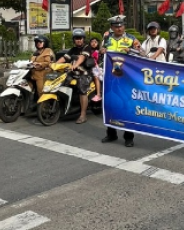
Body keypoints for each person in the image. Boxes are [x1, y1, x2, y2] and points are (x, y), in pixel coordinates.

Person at [100, 15, 137, 147]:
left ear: (124, 26)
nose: (119, 28)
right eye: (116, 26)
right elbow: (100, 51)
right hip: (110, 78)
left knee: (126, 105)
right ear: (112, 28)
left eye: (121, 26)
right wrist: (102, 50)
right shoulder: (107, 38)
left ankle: (128, 136)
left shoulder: (131, 39)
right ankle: (111, 133)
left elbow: (143, 53)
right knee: (110, 104)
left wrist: (131, 50)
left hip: (126, 78)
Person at [57, 28, 95, 124]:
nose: (78, 40)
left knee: (82, 89)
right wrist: (54, 64)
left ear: (83, 39)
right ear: (74, 40)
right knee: (61, 81)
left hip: (86, 73)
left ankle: (83, 115)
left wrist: (76, 65)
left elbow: (82, 57)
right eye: (76, 38)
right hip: (74, 72)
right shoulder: (73, 49)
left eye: (80, 38)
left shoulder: (87, 48)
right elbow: (65, 57)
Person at [89, 37, 103, 102]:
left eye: (95, 42)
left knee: (96, 76)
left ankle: (98, 94)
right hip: (89, 68)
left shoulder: (100, 51)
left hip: (98, 68)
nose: (93, 43)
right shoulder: (87, 51)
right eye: (92, 42)